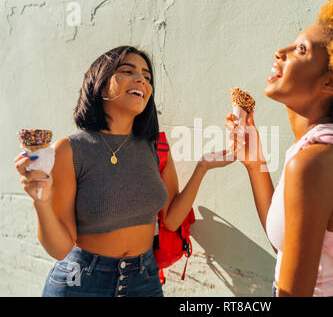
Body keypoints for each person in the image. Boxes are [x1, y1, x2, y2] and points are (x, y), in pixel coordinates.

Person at [14, 46, 233, 297]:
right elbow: (60, 249)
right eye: (127, 71)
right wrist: (40, 202)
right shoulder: (70, 149)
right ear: (100, 83)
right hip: (82, 282)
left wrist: (202, 168)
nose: (141, 79)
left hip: (144, 279)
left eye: (147, 76)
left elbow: (171, 220)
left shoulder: (156, 146)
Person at [226, 0, 333, 297]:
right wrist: (254, 162)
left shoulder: (314, 163)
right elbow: (289, 248)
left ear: (331, 83)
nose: (280, 52)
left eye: (301, 50)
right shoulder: (321, 148)